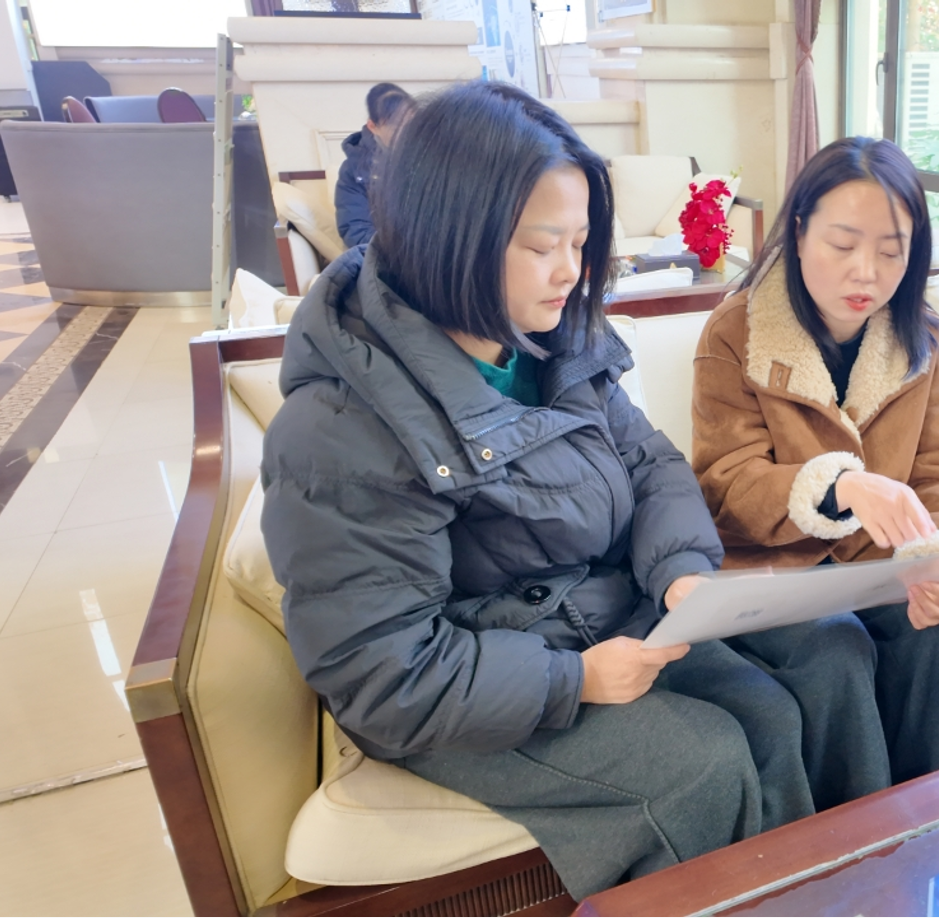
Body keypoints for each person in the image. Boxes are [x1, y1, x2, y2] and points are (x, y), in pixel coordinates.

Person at [259, 81, 815, 900]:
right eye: (543, 245)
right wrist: (573, 681)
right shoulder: (339, 428)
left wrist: (680, 569)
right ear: (448, 237)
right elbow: (380, 671)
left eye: (582, 242)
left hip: (581, 619)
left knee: (775, 712)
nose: (571, 272)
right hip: (461, 688)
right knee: (699, 767)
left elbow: (650, 464)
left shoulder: (548, 340)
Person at [690, 136, 939, 811]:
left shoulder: (922, 337)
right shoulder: (735, 331)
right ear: (798, 233)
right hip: (773, 571)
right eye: (842, 244)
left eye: (891, 252)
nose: (866, 274)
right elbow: (725, 484)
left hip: (880, 566)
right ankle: (860, 848)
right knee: (836, 651)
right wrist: (836, 485)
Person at [334, 82, 417, 248]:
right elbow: (356, 231)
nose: (406, 133)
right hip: (387, 254)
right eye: (396, 126)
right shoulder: (354, 170)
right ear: (373, 126)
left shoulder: (432, 155)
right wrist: (405, 250)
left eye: (411, 123)